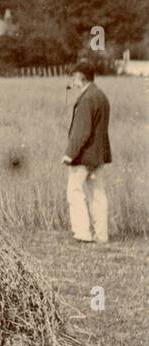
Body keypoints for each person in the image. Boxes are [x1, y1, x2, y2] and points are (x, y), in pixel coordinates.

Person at [63, 59, 112, 244]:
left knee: (74, 191)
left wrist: (69, 154)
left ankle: (82, 233)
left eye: (74, 76)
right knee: (98, 194)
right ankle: (102, 235)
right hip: (99, 156)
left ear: (81, 77)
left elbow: (81, 132)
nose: (73, 81)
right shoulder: (101, 96)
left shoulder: (86, 99)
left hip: (83, 156)